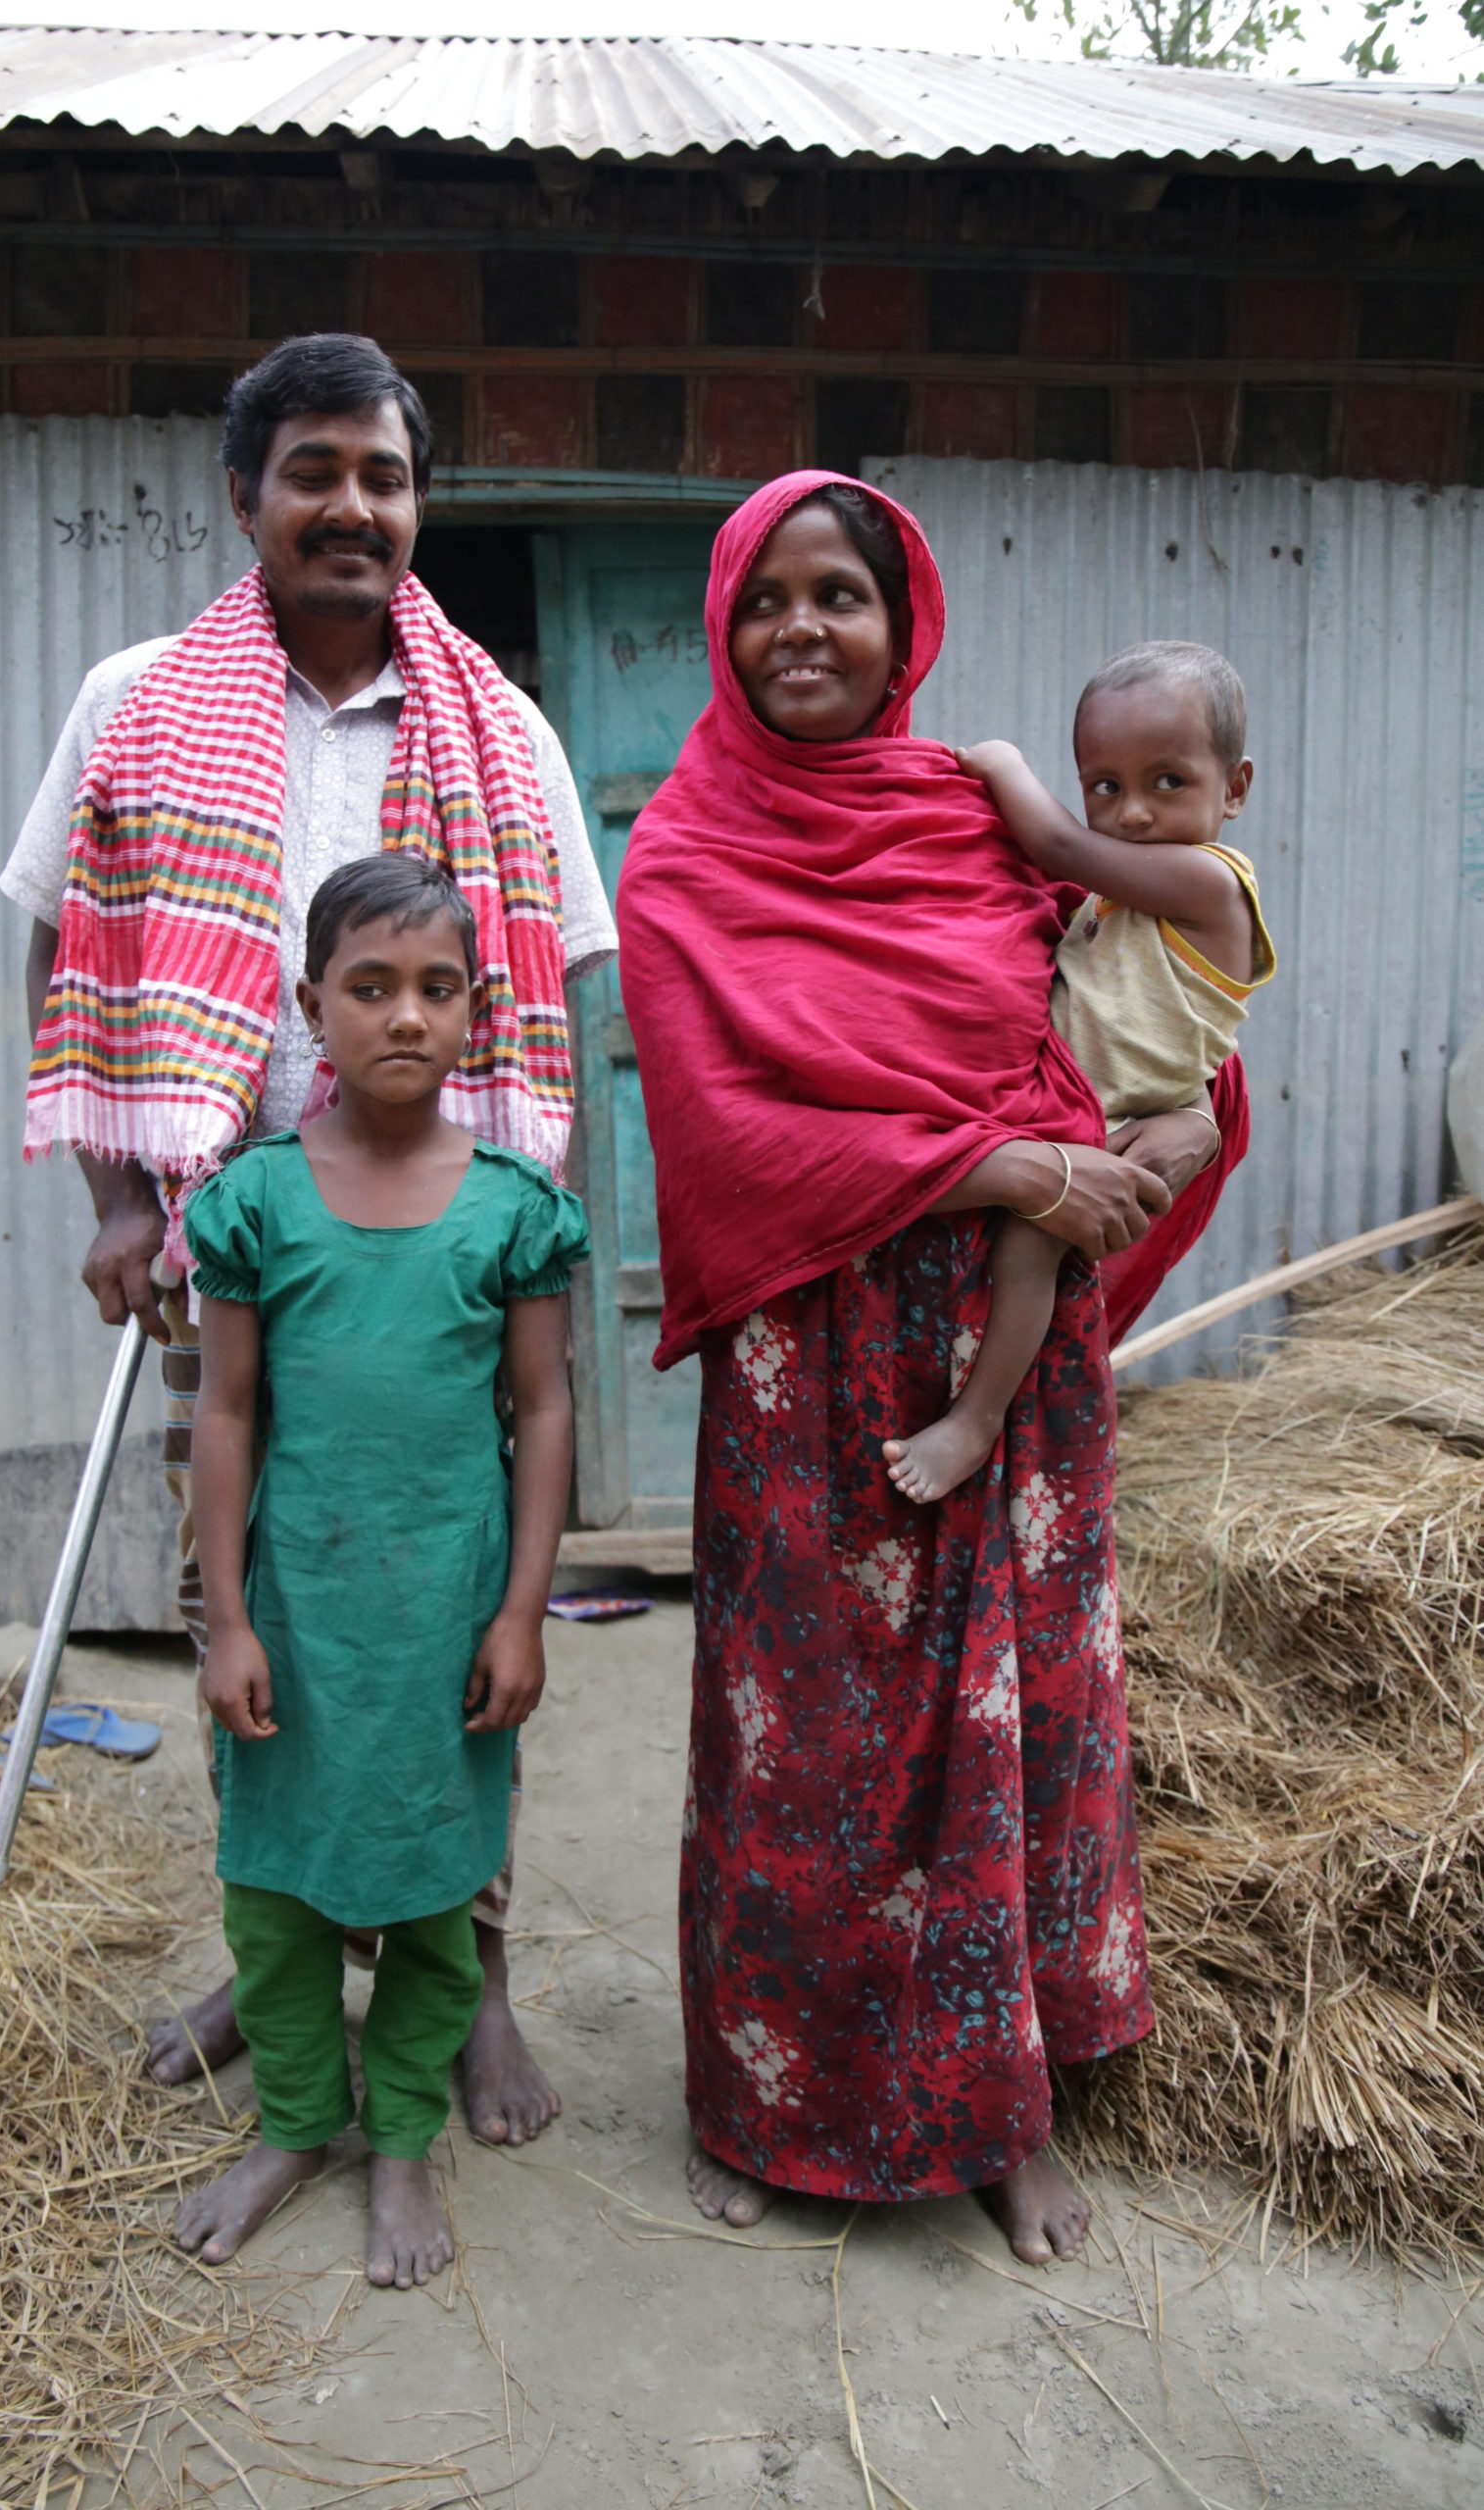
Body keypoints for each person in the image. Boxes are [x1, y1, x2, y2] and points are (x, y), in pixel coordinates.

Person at [616, 472, 1242, 2265]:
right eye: (766, 600)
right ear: (727, 625)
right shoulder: (684, 853)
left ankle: (1004, 2111)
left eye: (843, 596)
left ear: (907, 627)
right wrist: (984, 1164)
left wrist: (1145, 1138)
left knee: (1010, 1719)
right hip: (807, 1365)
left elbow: (1139, 1002)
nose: (801, 630)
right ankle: (769, 2101)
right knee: (801, 1744)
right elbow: (725, 1136)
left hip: (1006, 1358)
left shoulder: (980, 824)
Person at [0, 333, 616, 2144]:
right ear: (247, 497)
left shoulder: (498, 724)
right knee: (246, 1598)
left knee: (446, 1609)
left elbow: (560, 974)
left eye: (386, 475)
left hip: (437, 1247)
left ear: (417, 504)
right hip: (231, 1227)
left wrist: (533, 1209)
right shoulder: (138, 697)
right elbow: (61, 939)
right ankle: (267, 1945)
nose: (354, 504)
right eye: (316, 470)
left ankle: (465, 1969)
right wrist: (116, 1196)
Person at [172, 854, 588, 2282]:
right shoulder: (253, 1205)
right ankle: (298, 2122)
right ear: (310, 1007)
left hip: (445, 1616)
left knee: (428, 1888)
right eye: (368, 987)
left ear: (477, 1010)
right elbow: (223, 1413)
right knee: (275, 1885)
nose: (402, 1016)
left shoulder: (513, 1209)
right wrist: (225, 1620)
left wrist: (521, 1613)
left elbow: (540, 1411)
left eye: (435, 988)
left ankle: (401, 2137)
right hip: (296, 1610)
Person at [882, 641, 1274, 1505]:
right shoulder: (1127, 896)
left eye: (1166, 781)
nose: (1132, 813)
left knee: (1031, 1245)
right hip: (1074, 1096)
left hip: (1115, 1113)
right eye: (1106, 786)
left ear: (1234, 788)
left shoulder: (1206, 883)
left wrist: (999, 764)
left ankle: (974, 1421)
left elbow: (1054, 843)